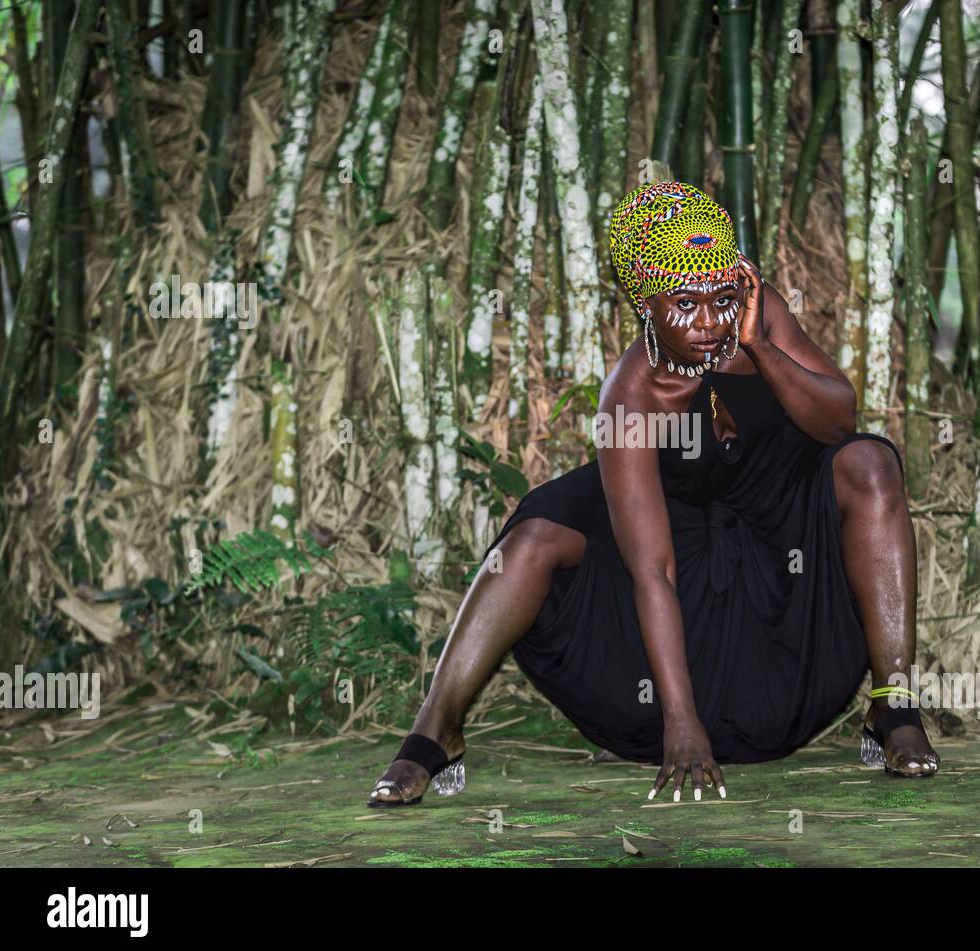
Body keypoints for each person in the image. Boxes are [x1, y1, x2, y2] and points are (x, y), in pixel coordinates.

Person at [368, 181, 939, 808]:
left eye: (722, 297)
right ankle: (435, 727)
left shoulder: (754, 314)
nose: (708, 320)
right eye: (684, 303)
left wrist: (758, 346)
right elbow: (655, 570)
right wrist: (679, 720)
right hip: (669, 526)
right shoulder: (629, 397)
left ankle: (894, 707)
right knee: (530, 537)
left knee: (873, 463)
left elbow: (838, 421)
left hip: (779, 519)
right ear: (644, 296)